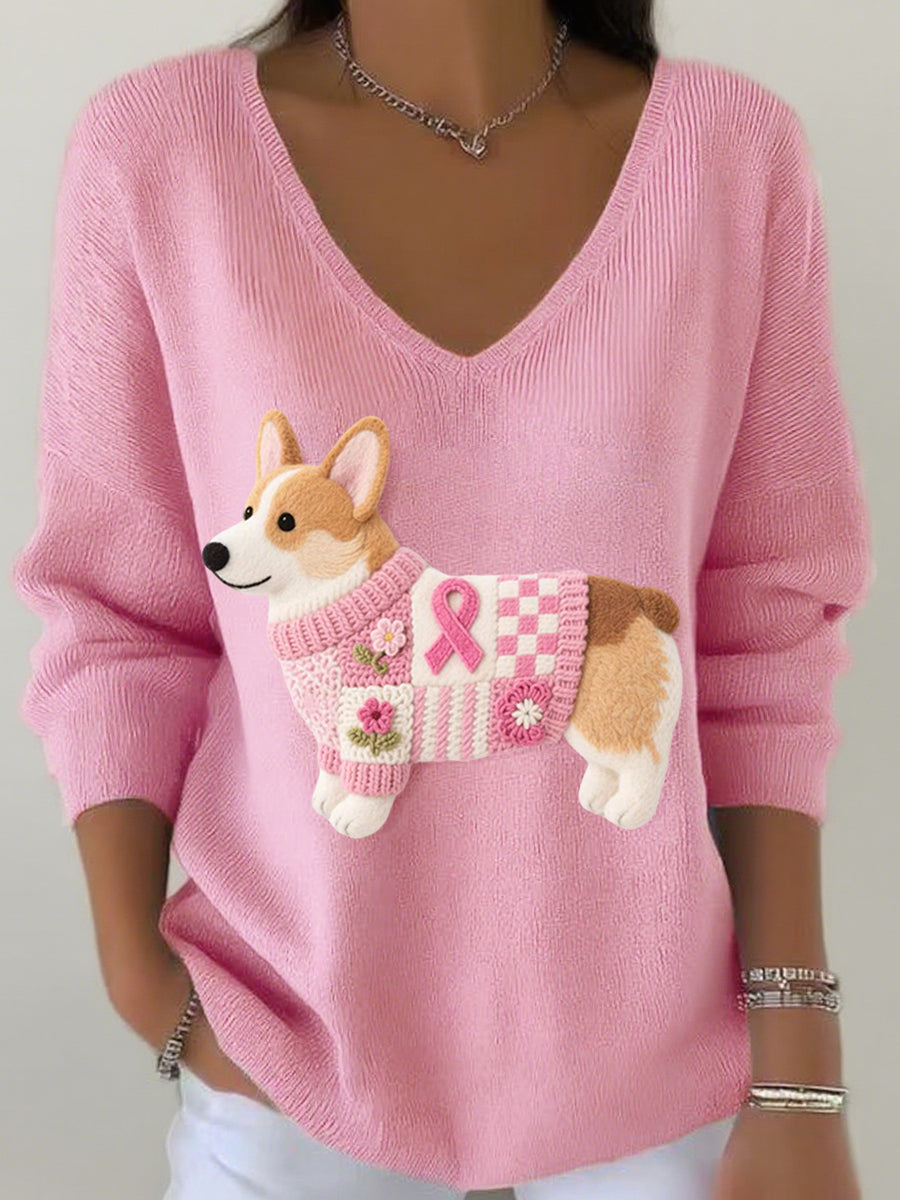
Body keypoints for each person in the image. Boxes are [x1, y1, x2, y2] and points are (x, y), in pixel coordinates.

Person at [10, 1, 874, 1197]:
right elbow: (118, 618)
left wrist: (800, 1077)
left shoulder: (730, 157)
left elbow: (763, 639)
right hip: (285, 1063)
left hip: (663, 1093)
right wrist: (147, 990)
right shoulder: (159, 153)